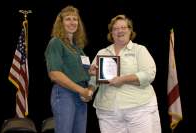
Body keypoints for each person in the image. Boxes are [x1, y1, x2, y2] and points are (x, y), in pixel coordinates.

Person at [88, 14, 161, 133]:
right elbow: (93, 79)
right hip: (108, 112)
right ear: (111, 33)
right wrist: (90, 86)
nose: (119, 31)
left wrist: (123, 79)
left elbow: (149, 74)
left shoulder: (139, 50)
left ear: (130, 30)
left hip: (139, 108)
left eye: (123, 27)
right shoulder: (102, 52)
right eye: (115, 28)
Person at [44, 5, 93, 133]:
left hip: (81, 96)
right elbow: (55, 74)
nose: (72, 22)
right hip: (65, 94)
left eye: (75, 19)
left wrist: (91, 72)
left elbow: (81, 71)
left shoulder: (78, 47)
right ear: (61, 23)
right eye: (68, 19)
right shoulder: (56, 42)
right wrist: (81, 90)